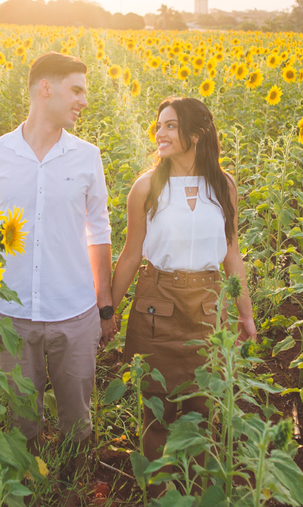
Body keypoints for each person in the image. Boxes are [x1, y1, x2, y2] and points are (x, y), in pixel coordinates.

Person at [0, 52, 116, 450]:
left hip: (73, 313)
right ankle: (27, 487)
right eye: (76, 90)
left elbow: (99, 228)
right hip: (12, 315)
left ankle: (73, 484)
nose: (83, 101)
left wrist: (104, 304)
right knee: (20, 422)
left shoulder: (86, 155)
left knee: (78, 420)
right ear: (45, 89)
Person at [110, 96, 257, 463]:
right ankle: (160, 493)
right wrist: (107, 310)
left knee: (204, 408)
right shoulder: (146, 187)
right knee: (157, 410)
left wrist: (246, 315)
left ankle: (195, 487)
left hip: (209, 306)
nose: (160, 133)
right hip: (157, 303)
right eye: (158, 125)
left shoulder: (224, 186)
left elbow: (231, 254)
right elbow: (130, 254)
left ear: (196, 133)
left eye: (170, 125)